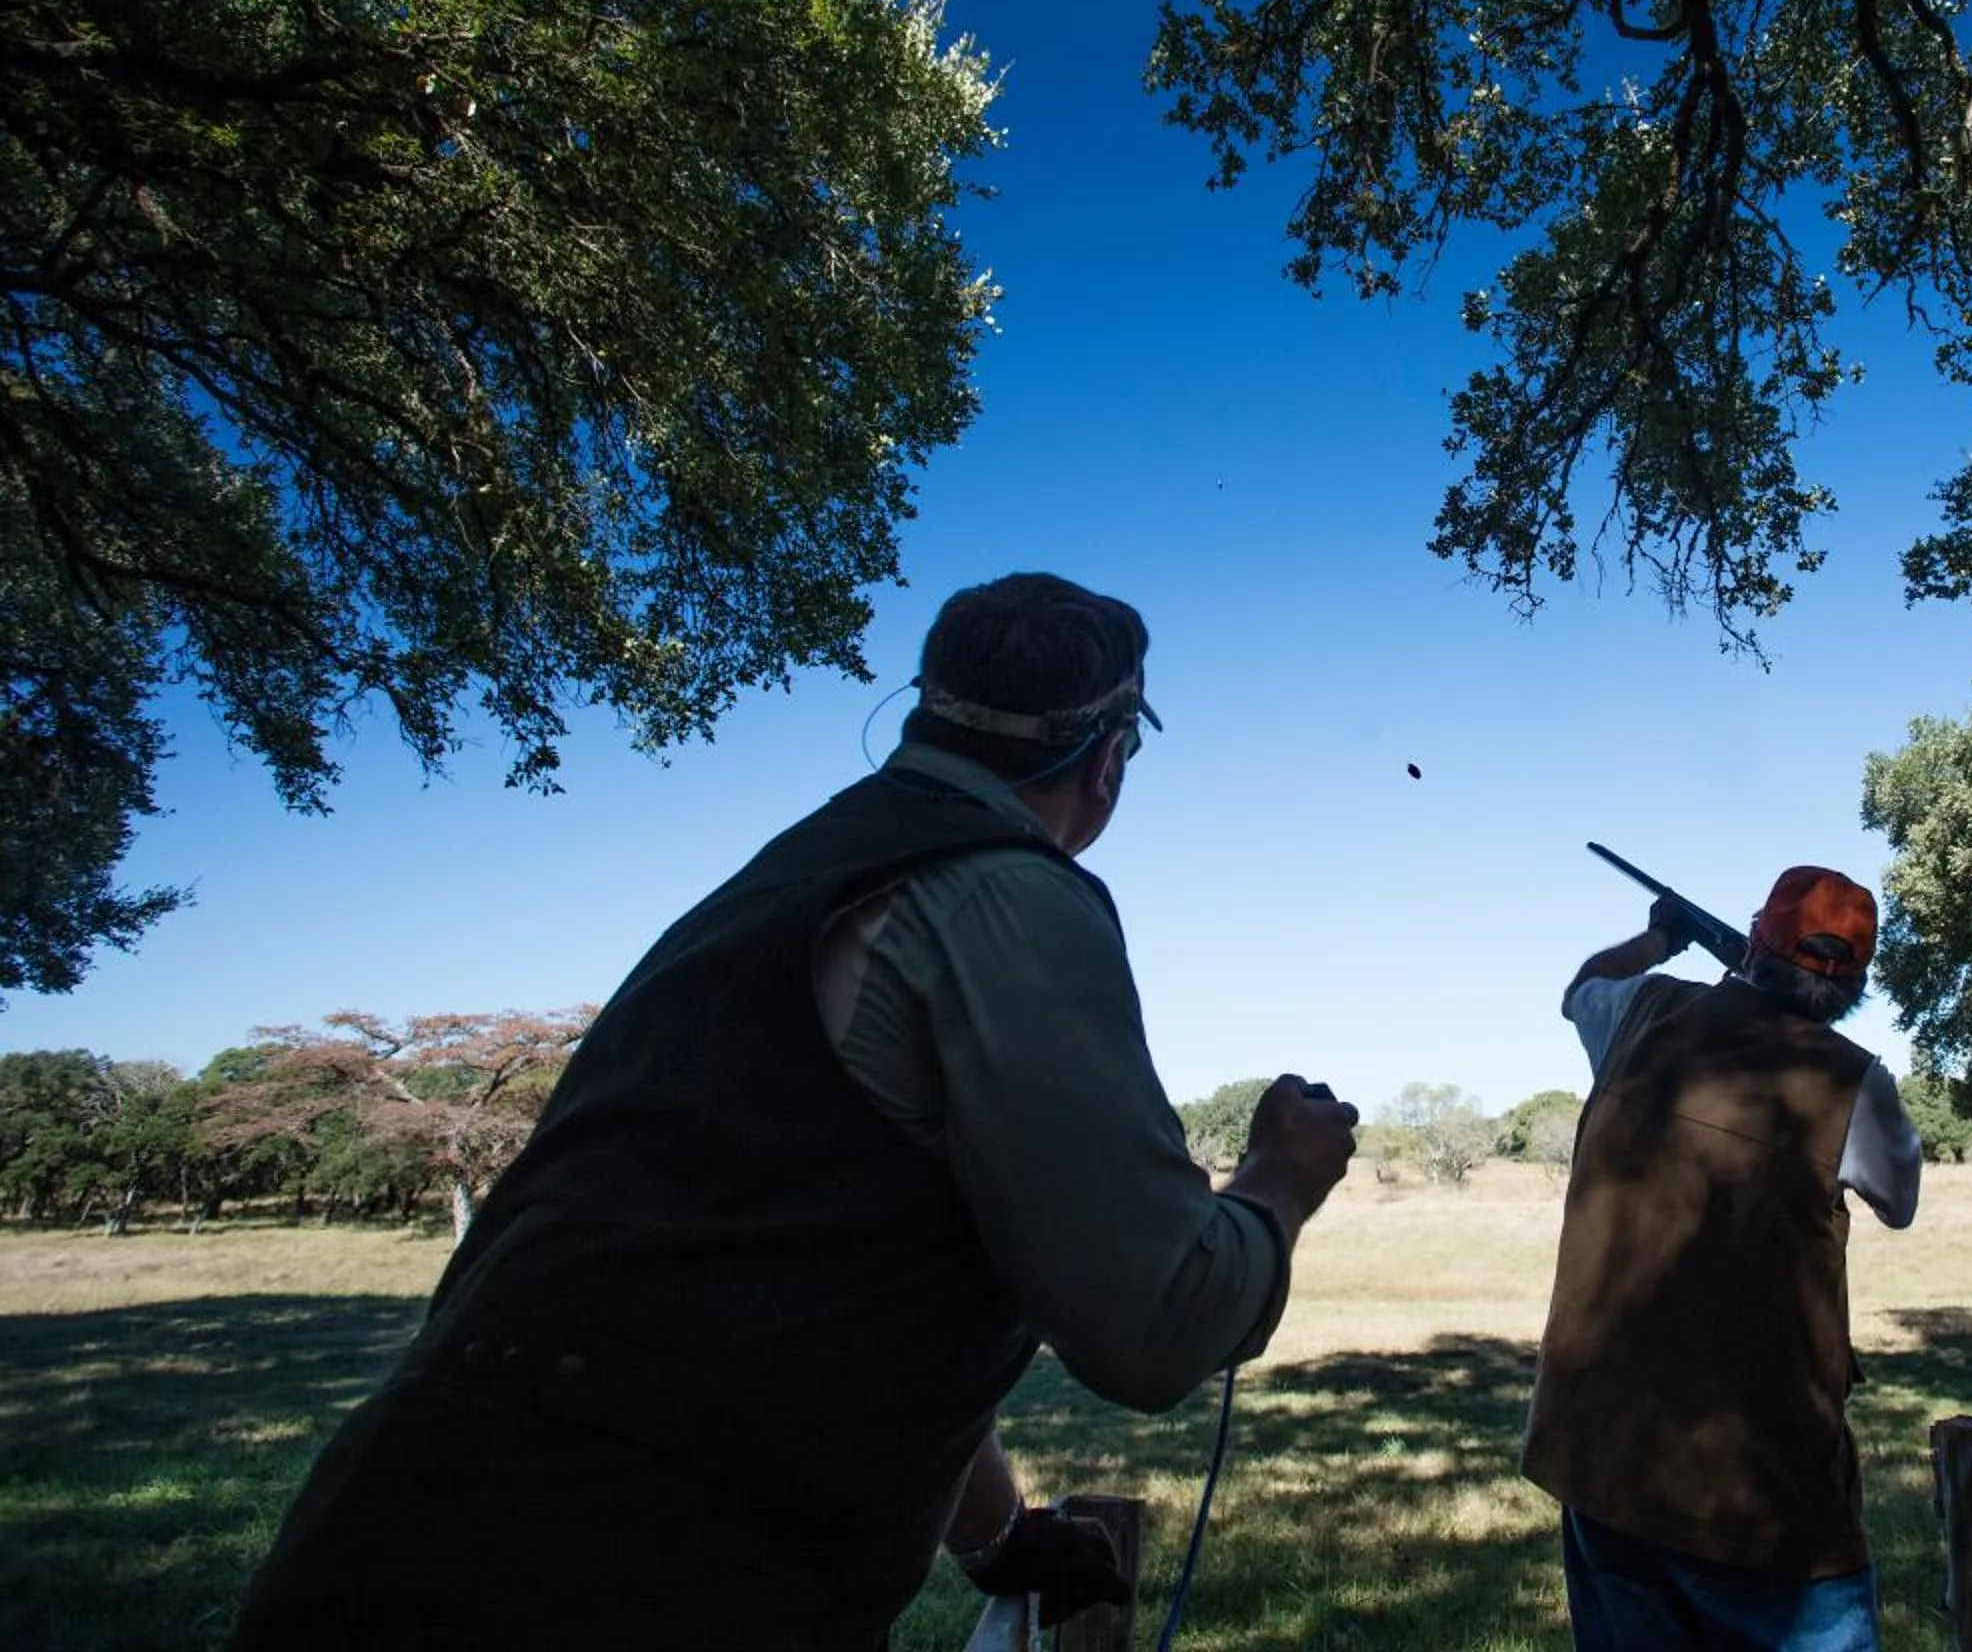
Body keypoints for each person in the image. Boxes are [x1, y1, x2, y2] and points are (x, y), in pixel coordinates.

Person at [229, 572, 1360, 1650]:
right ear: (1110, 760)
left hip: (384, 1536)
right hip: (639, 1581)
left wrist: (1000, 1539)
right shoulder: (1005, 891)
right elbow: (1152, 1329)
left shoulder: (788, 878)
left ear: (924, 721)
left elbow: (826, 1278)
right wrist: (1279, 1180)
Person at [1521, 867, 1922, 1652]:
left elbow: (1582, 988)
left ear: (1755, 941)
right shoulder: (1854, 1082)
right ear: (1856, 982)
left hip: (1603, 1457)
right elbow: (1899, 1201)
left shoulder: (1642, 1012)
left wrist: (1662, 937)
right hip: (1762, 1487)